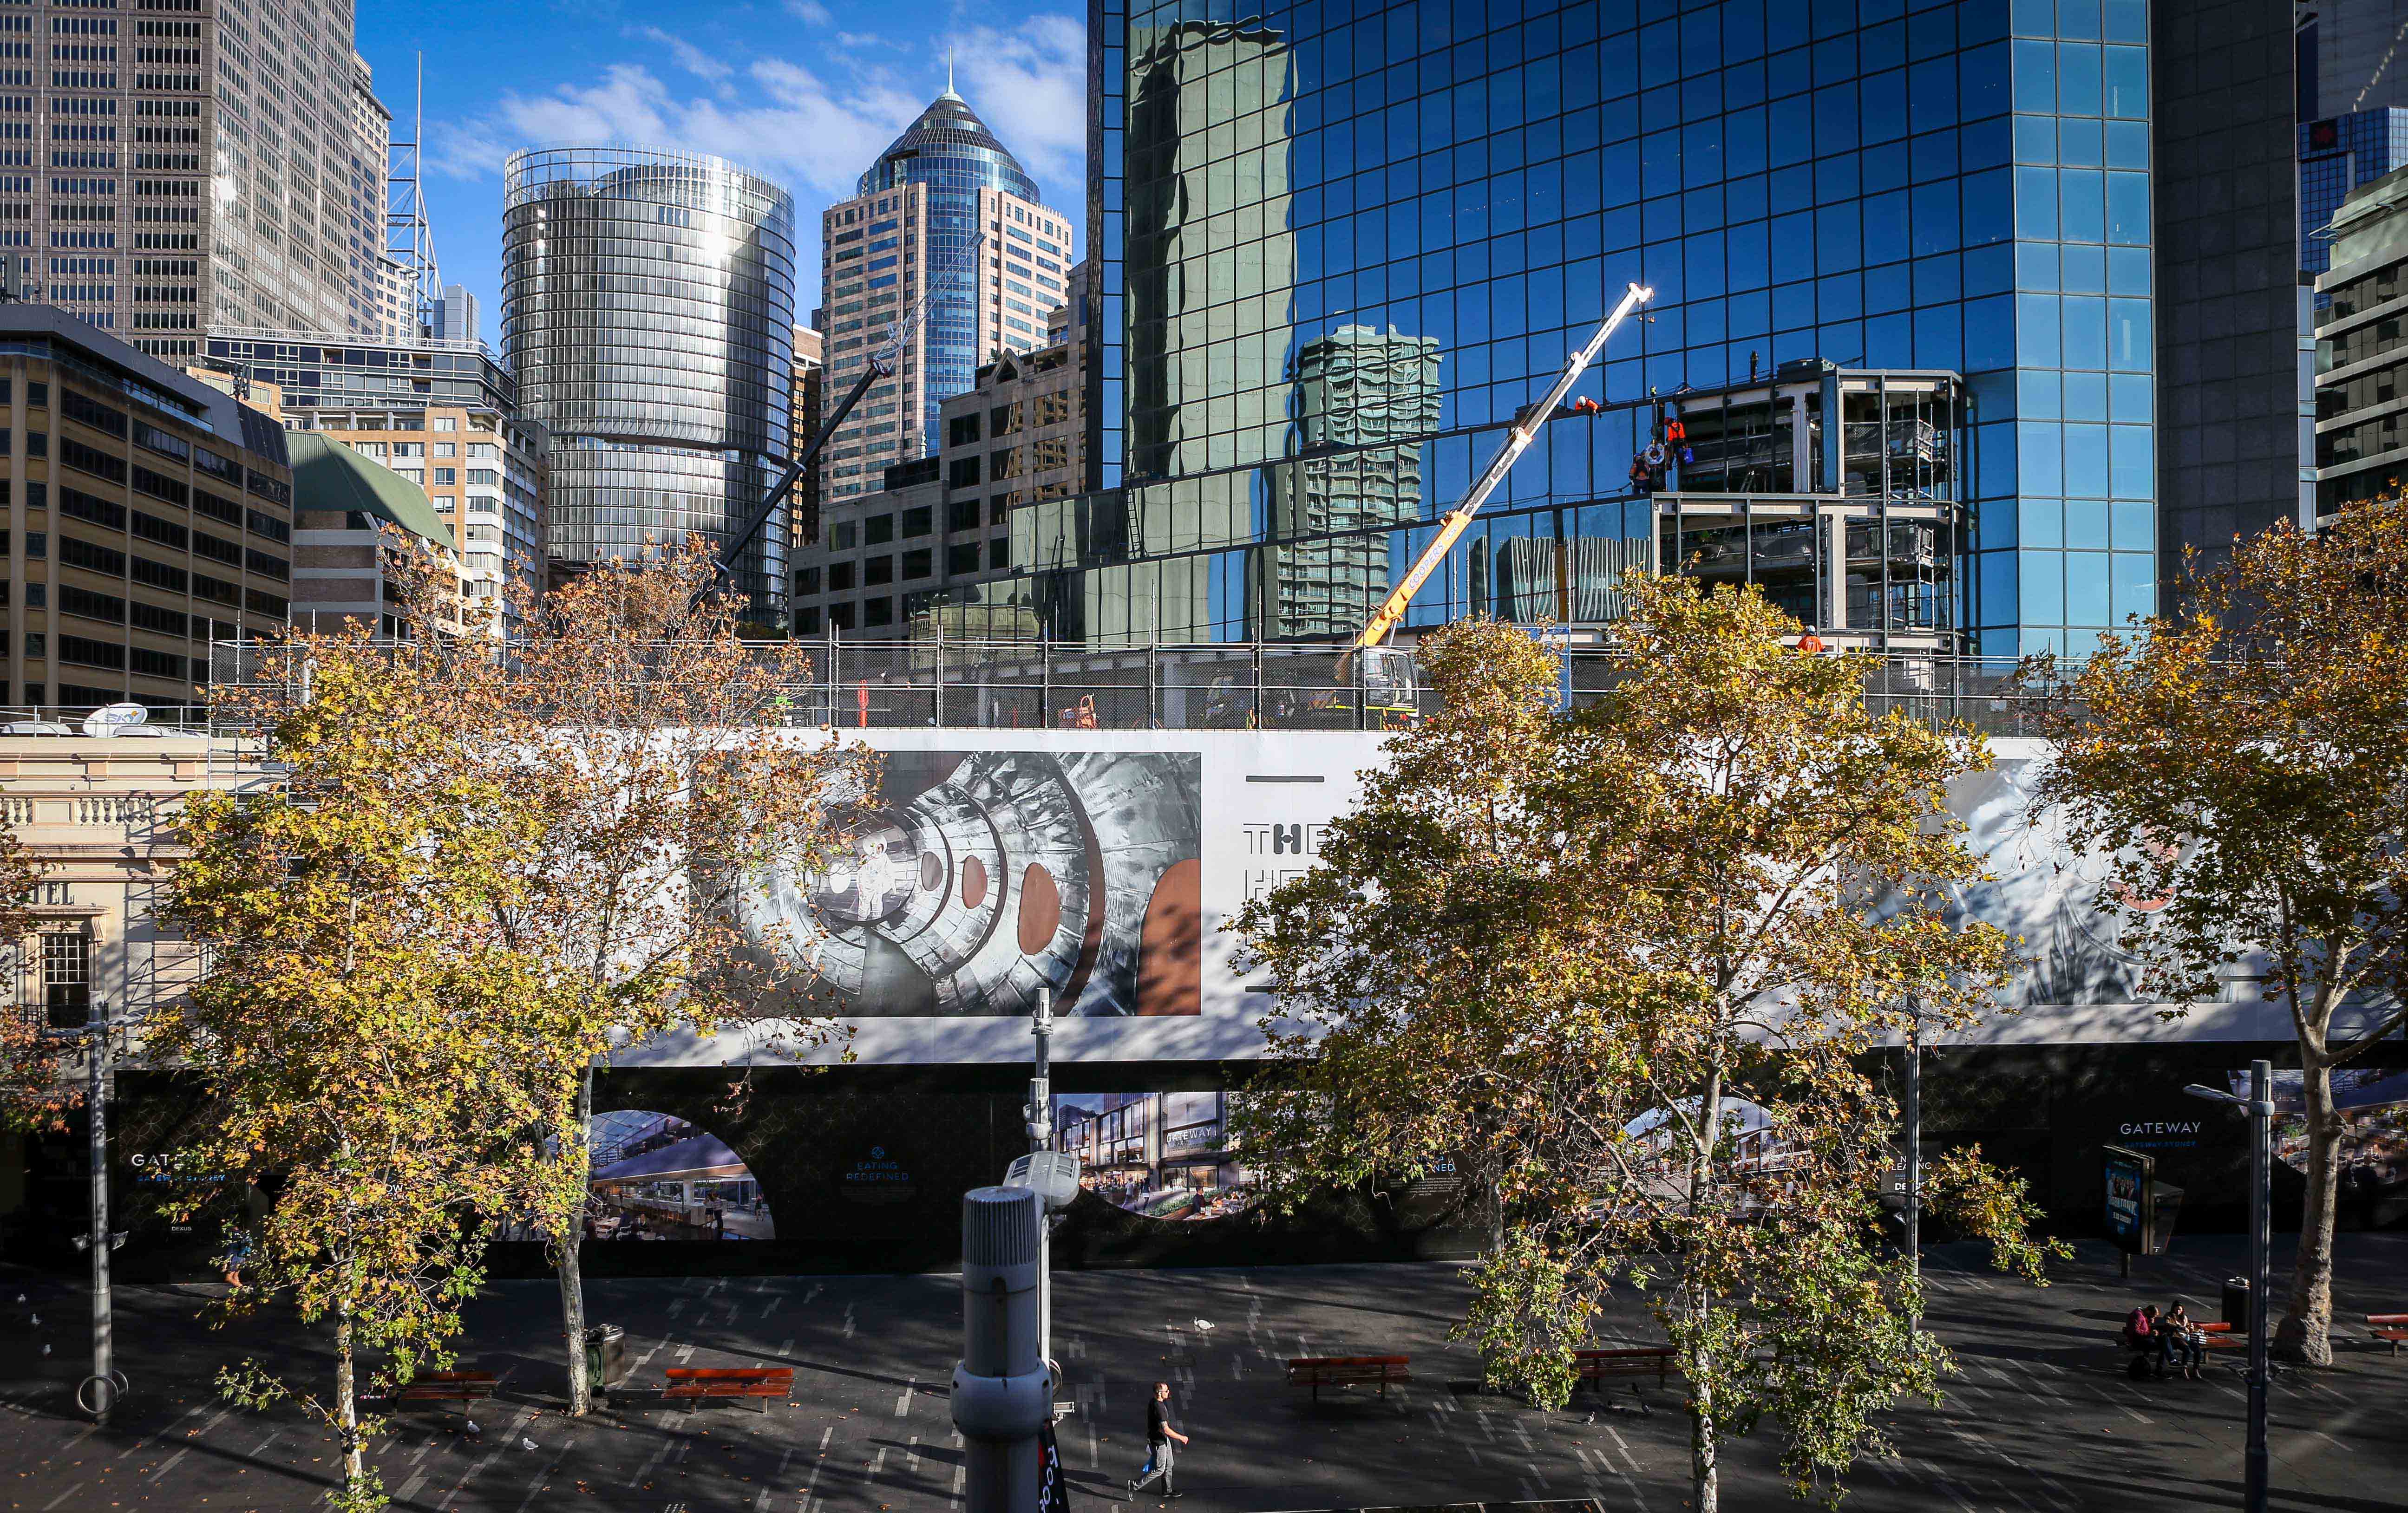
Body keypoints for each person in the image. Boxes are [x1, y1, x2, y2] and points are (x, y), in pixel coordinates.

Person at [1128, 1381, 1189, 1501]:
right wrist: (1181, 1437)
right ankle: (1134, 1485)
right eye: (1166, 1391)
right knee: (1160, 1469)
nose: (1169, 1392)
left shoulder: (1154, 1402)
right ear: (1160, 1394)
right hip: (1159, 1442)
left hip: (1163, 1440)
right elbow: (1166, 1430)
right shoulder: (1160, 1408)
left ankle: (1167, 1490)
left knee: (1169, 1464)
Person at [2159, 1302, 2202, 1379]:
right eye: (2176, 1309)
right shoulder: (2169, 1316)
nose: (2178, 1311)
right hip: (2175, 1338)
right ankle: (2184, 1369)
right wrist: (2180, 1327)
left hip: (2185, 1338)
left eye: (2180, 1310)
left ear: (2182, 1310)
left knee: (2198, 1349)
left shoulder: (2184, 1318)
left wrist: (2191, 1328)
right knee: (2187, 1350)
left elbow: (2189, 1329)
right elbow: (2167, 1324)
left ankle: (2196, 1369)